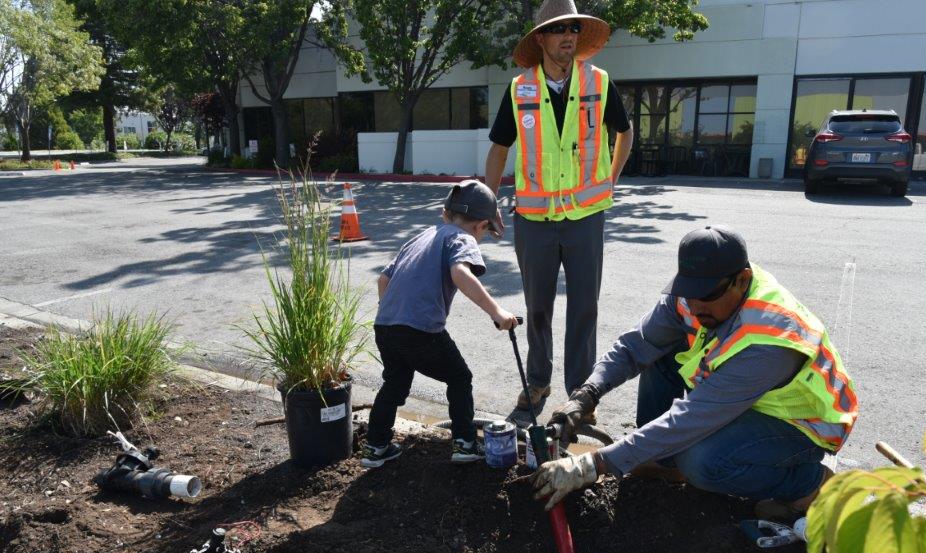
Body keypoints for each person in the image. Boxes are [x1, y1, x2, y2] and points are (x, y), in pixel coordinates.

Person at [533, 226, 859, 519]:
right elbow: (637, 345)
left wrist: (595, 464)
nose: (695, 305)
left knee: (701, 461)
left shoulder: (770, 339)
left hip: (801, 423)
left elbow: (692, 417)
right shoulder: (693, 297)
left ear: (742, 280)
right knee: (660, 352)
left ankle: (809, 485)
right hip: (744, 400)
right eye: (689, 291)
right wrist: (585, 395)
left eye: (706, 295)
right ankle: (664, 460)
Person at [484, 0, 634, 420]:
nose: (568, 36)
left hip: (585, 217)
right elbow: (500, 148)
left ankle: (580, 395)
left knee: (585, 306)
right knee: (537, 308)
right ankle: (537, 382)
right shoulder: (520, 89)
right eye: (559, 29)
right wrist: (487, 200)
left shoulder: (600, 83)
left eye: (573, 28)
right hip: (534, 221)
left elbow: (624, 131)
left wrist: (612, 177)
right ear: (541, 39)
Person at [361, 180, 518, 468]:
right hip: (421, 330)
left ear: (446, 213)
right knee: (459, 377)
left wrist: (396, 315)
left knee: (394, 384)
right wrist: (497, 311)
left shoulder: (421, 236)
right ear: (481, 226)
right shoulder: (462, 238)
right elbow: (460, 273)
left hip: (385, 326)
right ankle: (465, 443)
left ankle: (375, 447)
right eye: (485, 231)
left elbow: (383, 279)